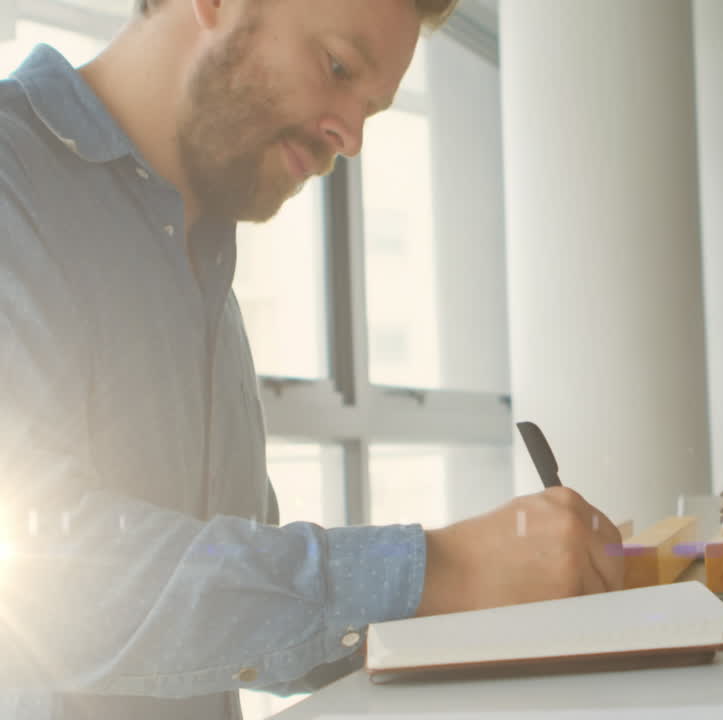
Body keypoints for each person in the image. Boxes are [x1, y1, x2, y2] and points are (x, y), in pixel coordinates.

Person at [0, 0, 625, 718]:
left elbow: (234, 629)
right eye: (336, 66)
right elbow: (45, 582)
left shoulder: (203, 269)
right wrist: (436, 571)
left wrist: (489, 600)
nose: (351, 138)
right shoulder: (12, 182)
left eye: (372, 109)